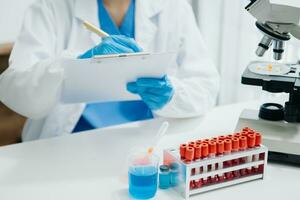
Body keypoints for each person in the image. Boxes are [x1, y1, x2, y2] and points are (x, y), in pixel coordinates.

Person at [0, 0, 220, 141]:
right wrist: (74, 64)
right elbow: (15, 89)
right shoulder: (50, 8)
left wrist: (172, 94)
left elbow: (206, 87)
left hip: (148, 145)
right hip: (68, 146)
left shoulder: (174, 9)